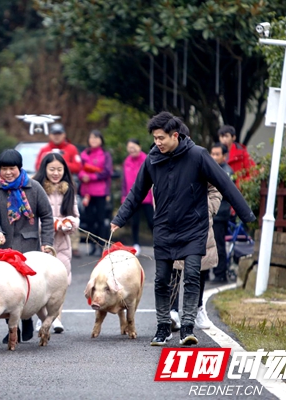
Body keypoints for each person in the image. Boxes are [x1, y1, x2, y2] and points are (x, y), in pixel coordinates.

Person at [110, 111, 256, 347]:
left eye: (161, 138)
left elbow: (223, 183)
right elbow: (137, 193)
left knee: (190, 277)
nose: (157, 143)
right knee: (161, 280)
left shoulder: (198, 155)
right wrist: (120, 218)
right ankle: (162, 328)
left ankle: (187, 327)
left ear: (175, 135)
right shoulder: (153, 159)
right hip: (165, 229)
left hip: (193, 229)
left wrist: (246, 213)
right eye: (155, 139)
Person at [0, 149, 54, 344]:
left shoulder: (34, 187)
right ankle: (13, 330)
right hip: (3, 247)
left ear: (19, 168)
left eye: (11, 168)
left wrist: (47, 243)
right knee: (5, 289)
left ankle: (28, 320)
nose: (8, 172)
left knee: (27, 286)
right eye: (4, 168)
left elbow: (47, 216)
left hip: (28, 246)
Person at [33, 152, 80, 333]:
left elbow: (76, 216)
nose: (56, 173)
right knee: (42, 282)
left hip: (63, 244)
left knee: (61, 281)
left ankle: (57, 317)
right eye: (52, 169)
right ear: (44, 169)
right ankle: (43, 318)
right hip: (42, 243)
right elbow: (33, 219)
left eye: (59, 169)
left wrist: (69, 223)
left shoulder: (69, 189)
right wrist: (53, 223)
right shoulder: (37, 189)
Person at [169, 185, 222, 332]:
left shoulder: (203, 162)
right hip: (175, 218)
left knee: (201, 266)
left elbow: (215, 188)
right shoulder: (168, 161)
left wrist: (209, 207)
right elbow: (158, 187)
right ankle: (172, 311)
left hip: (201, 219)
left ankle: (198, 308)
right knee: (174, 267)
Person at [35, 123, 83, 257]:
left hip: (67, 186)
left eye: (59, 134)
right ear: (50, 135)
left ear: (64, 135)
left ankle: (75, 245)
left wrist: (62, 164)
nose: (57, 137)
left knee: (72, 209)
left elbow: (78, 166)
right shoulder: (44, 149)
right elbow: (38, 165)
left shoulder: (71, 149)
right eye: (54, 134)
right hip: (43, 241)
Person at [78, 130, 113, 256]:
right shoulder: (84, 153)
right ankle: (92, 244)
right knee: (89, 220)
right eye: (91, 137)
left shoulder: (105, 154)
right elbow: (79, 169)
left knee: (100, 219)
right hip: (87, 192)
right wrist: (83, 176)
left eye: (96, 138)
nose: (93, 140)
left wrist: (91, 177)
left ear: (101, 140)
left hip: (100, 192)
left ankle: (101, 245)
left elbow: (107, 172)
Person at [122, 139, 154, 254]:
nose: (132, 149)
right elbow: (124, 181)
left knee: (151, 221)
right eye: (129, 147)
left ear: (139, 146)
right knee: (134, 222)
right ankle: (136, 244)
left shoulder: (146, 159)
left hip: (147, 196)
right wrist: (124, 196)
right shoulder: (126, 161)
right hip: (133, 196)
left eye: (134, 146)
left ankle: (158, 243)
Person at [210, 142, 235, 282]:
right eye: (212, 154)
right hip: (209, 213)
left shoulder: (227, 172)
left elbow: (223, 193)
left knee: (218, 245)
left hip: (220, 214)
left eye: (217, 154)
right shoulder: (211, 169)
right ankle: (206, 272)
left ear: (224, 156)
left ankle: (220, 274)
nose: (213, 157)